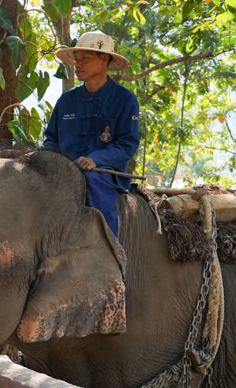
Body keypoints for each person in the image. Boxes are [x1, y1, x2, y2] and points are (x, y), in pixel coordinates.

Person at [43, 30, 140, 237]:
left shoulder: (125, 99)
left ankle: (109, 253)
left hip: (104, 174)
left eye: (85, 59)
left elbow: (127, 144)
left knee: (91, 180)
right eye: (77, 60)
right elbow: (51, 140)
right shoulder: (66, 101)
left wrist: (96, 159)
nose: (78, 64)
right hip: (63, 170)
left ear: (104, 59)